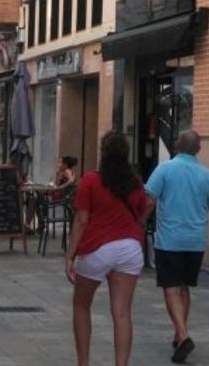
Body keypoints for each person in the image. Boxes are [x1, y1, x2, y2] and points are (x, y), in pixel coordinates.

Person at [64, 132, 154, 366]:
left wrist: (70, 255)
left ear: (103, 153)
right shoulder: (135, 183)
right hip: (130, 248)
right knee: (122, 312)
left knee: (81, 305)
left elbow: (81, 221)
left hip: (97, 247)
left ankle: (83, 362)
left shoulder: (90, 181)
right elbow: (143, 213)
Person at [144, 131, 209, 364]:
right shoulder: (206, 174)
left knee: (170, 287)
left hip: (170, 239)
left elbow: (149, 199)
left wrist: (139, 222)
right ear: (198, 149)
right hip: (196, 241)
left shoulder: (164, 169)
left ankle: (184, 334)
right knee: (185, 287)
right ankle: (179, 335)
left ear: (177, 146)